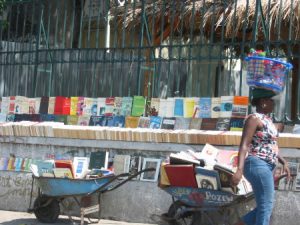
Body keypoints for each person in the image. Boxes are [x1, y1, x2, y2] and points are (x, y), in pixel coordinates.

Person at [231, 88, 291, 225]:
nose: (273, 103)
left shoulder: (268, 120)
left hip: (267, 166)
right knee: (266, 207)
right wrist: (239, 170)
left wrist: (283, 161)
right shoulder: (253, 119)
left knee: (264, 207)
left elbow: (269, 145)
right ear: (263, 102)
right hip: (257, 164)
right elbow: (244, 145)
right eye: (270, 100)